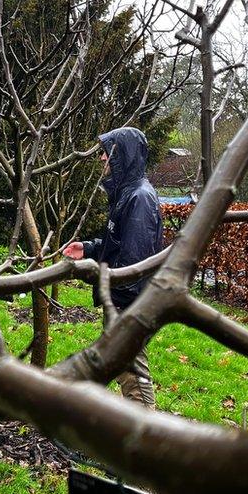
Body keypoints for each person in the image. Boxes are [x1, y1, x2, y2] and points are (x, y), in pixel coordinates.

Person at [62, 127, 163, 409]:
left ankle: (144, 441)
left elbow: (134, 263)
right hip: (122, 299)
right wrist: (89, 248)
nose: (101, 158)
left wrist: (111, 295)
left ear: (122, 157)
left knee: (131, 371)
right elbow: (116, 241)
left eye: (107, 153)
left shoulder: (140, 199)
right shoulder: (125, 194)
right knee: (114, 366)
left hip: (129, 302)